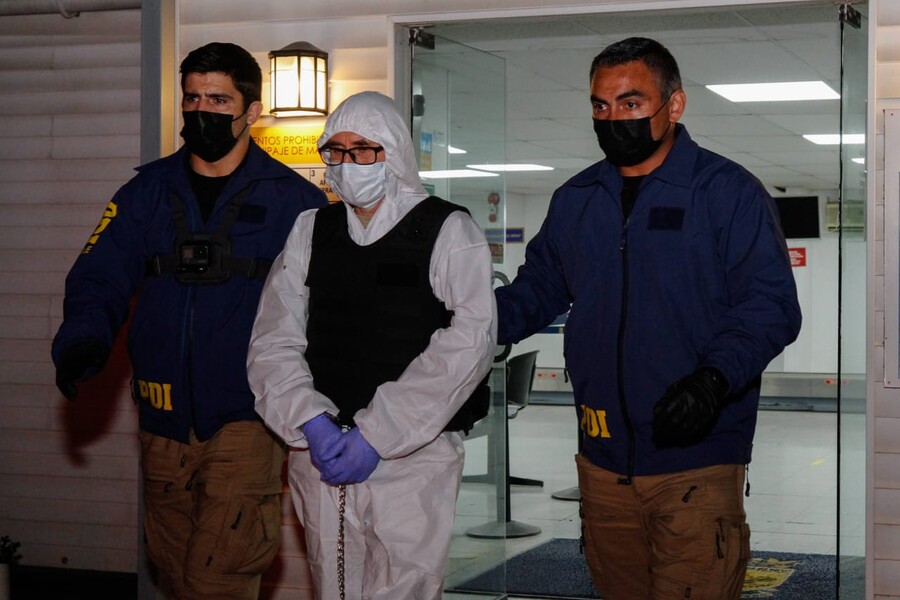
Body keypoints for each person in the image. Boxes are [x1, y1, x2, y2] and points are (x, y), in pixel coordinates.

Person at [495, 37, 802, 599]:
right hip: (602, 460)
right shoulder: (577, 199)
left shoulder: (725, 193)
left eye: (631, 103)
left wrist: (712, 380)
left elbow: (770, 306)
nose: (614, 119)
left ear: (674, 105)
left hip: (697, 461)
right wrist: (469, 327)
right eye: (601, 105)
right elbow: (538, 288)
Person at [51, 42, 327, 599]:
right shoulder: (144, 193)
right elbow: (99, 277)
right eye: (192, 98)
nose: (202, 111)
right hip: (162, 415)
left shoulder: (295, 203)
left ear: (251, 111)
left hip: (248, 415)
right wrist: (82, 341)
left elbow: (324, 305)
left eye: (218, 100)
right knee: (176, 574)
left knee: (217, 578)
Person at [247, 90, 496, 600]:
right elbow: (273, 335)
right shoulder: (312, 230)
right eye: (335, 151)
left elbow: (469, 343)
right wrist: (308, 419)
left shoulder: (448, 229)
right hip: (323, 451)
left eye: (362, 149)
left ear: (394, 151)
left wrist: (378, 433)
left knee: (405, 586)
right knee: (334, 583)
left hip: (416, 454)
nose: (347, 163)